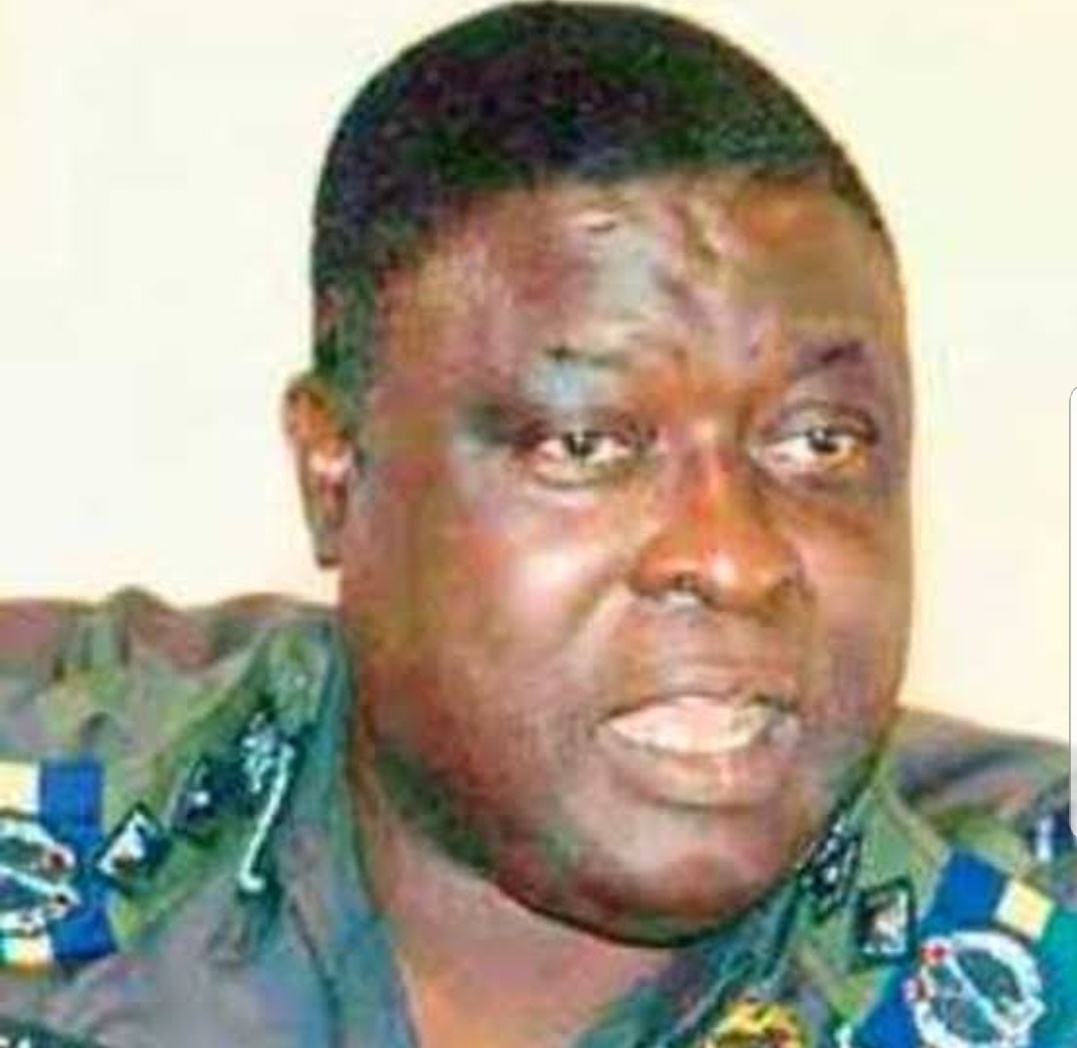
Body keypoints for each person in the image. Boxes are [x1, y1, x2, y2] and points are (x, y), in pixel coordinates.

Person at [0, 4, 1073, 1046]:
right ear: (335, 470)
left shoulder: (1034, 949)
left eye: (820, 441)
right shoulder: (47, 782)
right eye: (586, 443)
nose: (734, 556)